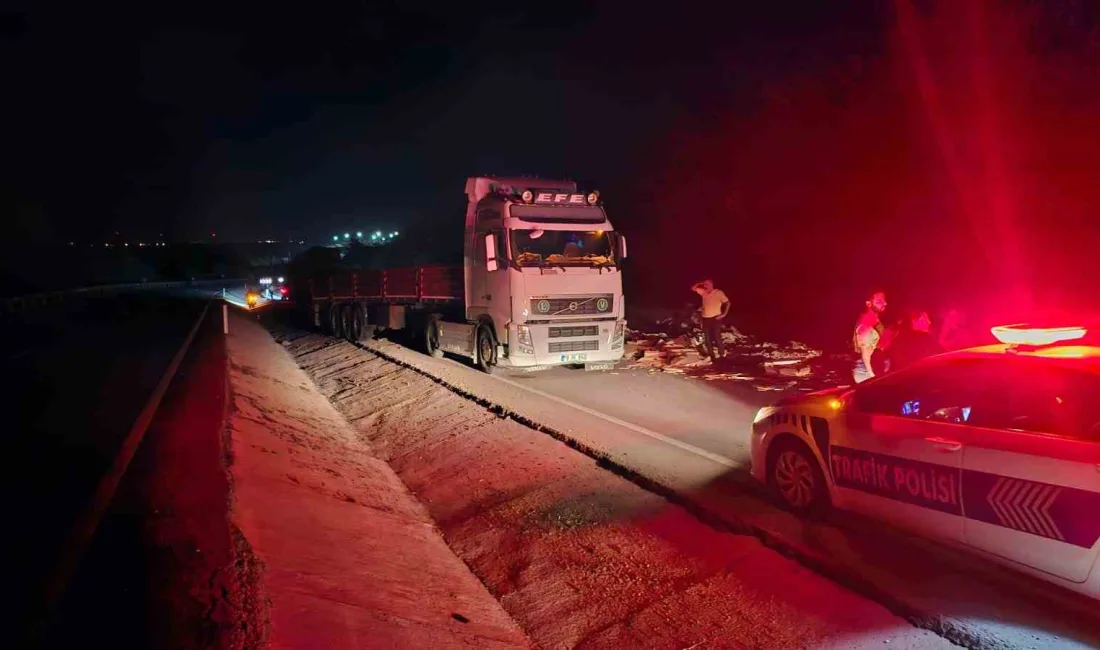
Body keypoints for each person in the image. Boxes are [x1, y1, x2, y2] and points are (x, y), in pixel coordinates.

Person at [852, 291, 887, 383]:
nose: (884, 303)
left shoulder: (874, 320)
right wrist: (873, 377)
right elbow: (865, 352)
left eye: (884, 300)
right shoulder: (866, 322)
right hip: (869, 371)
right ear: (868, 303)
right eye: (879, 301)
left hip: (873, 368)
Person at [691, 279, 730, 360]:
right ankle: (712, 356)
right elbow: (693, 288)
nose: (706, 286)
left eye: (707, 284)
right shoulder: (703, 293)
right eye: (705, 284)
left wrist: (724, 314)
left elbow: (728, 303)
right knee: (707, 338)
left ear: (712, 284)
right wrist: (700, 283)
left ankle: (722, 354)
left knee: (717, 337)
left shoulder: (718, 292)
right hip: (705, 318)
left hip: (716, 318)